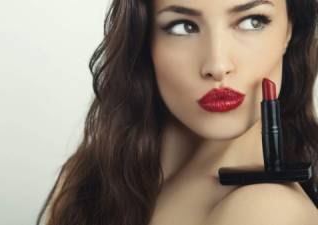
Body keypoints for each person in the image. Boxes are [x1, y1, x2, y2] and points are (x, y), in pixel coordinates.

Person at [37, 0, 318, 224]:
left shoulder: (267, 212)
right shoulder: (92, 176)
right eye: (183, 26)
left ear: (290, 29)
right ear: (144, 38)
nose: (217, 65)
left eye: (252, 21)